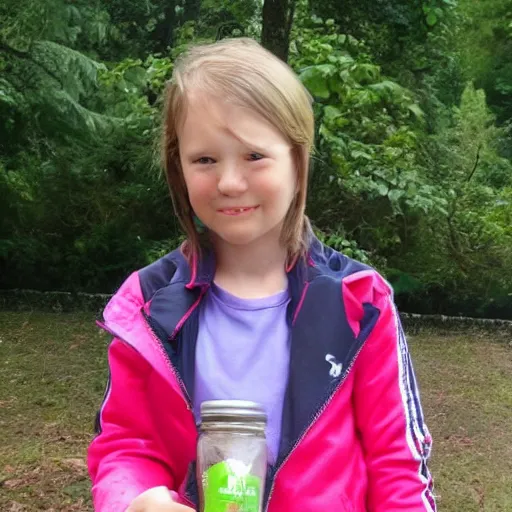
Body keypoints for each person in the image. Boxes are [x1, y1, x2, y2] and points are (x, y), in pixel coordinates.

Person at [87, 37, 436, 512]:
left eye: (254, 156)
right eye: (205, 159)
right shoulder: (148, 304)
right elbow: (125, 444)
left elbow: (398, 466)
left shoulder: (359, 303)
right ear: (179, 167)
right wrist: (137, 500)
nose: (230, 182)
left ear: (298, 159)